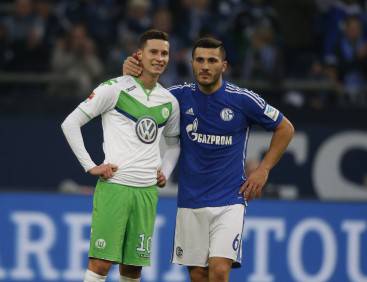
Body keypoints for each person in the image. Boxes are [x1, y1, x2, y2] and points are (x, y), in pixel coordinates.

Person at [123, 36, 294, 282]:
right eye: (199, 60)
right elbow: (142, 97)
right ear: (192, 64)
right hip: (191, 200)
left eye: (212, 60)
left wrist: (264, 169)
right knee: (198, 275)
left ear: (223, 65)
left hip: (229, 200)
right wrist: (130, 76)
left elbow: (285, 128)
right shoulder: (177, 96)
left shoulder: (242, 99)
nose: (205, 66)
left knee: (220, 270)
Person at [61, 29, 180, 282]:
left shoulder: (169, 101)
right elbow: (70, 123)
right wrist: (90, 165)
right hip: (115, 187)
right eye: (154, 52)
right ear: (139, 54)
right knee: (101, 264)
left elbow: (173, 143)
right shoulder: (114, 88)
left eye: (165, 53)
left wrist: (165, 171)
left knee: (132, 269)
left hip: (147, 192)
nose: (160, 58)